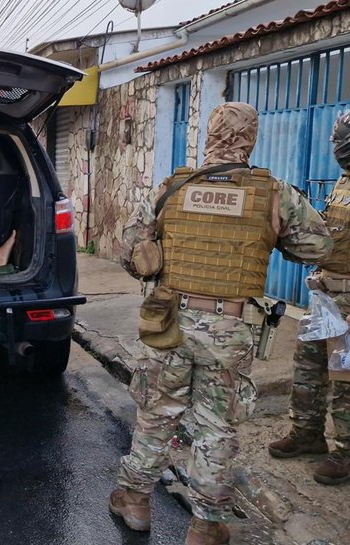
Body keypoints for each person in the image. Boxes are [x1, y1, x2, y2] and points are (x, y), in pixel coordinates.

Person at [109, 102, 331, 544]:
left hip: (167, 321)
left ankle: (134, 500)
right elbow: (317, 248)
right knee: (216, 427)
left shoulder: (172, 188)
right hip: (230, 329)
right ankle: (206, 526)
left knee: (157, 413)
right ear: (251, 139)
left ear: (208, 135)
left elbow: (130, 249)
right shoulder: (273, 193)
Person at [267, 112, 350, 486]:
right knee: (308, 367)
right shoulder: (344, 181)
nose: (336, 144)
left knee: (346, 378)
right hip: (327, 296)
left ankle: (347, 452)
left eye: (341, 137)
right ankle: (307, 434)